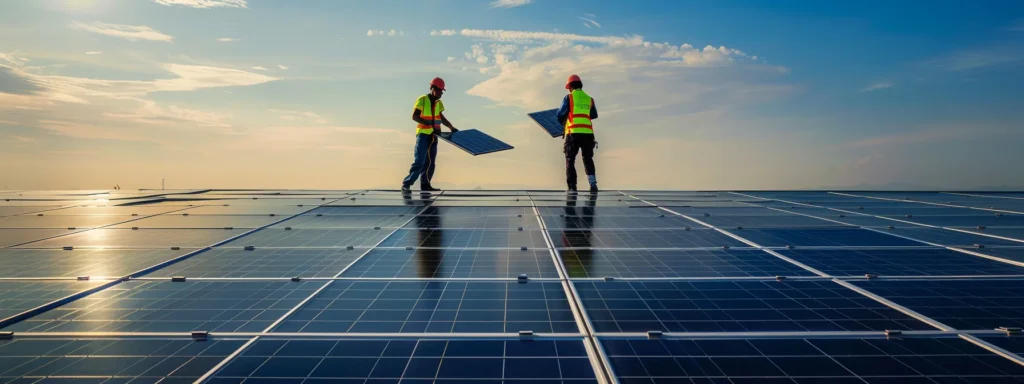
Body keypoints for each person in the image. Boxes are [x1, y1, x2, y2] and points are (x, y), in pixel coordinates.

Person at [402, 77, 458, 192]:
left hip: (435, 136)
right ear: (432, 88)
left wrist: (451, 127)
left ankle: (425, 184)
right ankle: (406, 184)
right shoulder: (422, 100)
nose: (441, 93)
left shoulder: (439, 103)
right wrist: (428, 123)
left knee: (431, 162)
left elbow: (441, 117)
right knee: (420, 161)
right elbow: (414, 116)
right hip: (423, 135)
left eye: (442, 91)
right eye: (439, 90)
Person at [556, 74, 599, 193]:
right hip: (588, 133)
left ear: (570, 87)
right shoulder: (589, 99)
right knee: (588, 159)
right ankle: (593, 184)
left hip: (573, 133)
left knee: (570, 159)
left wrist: (565, 121)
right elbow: (593, 115)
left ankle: (572, 187)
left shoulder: (569, 98)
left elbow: (559, 115)